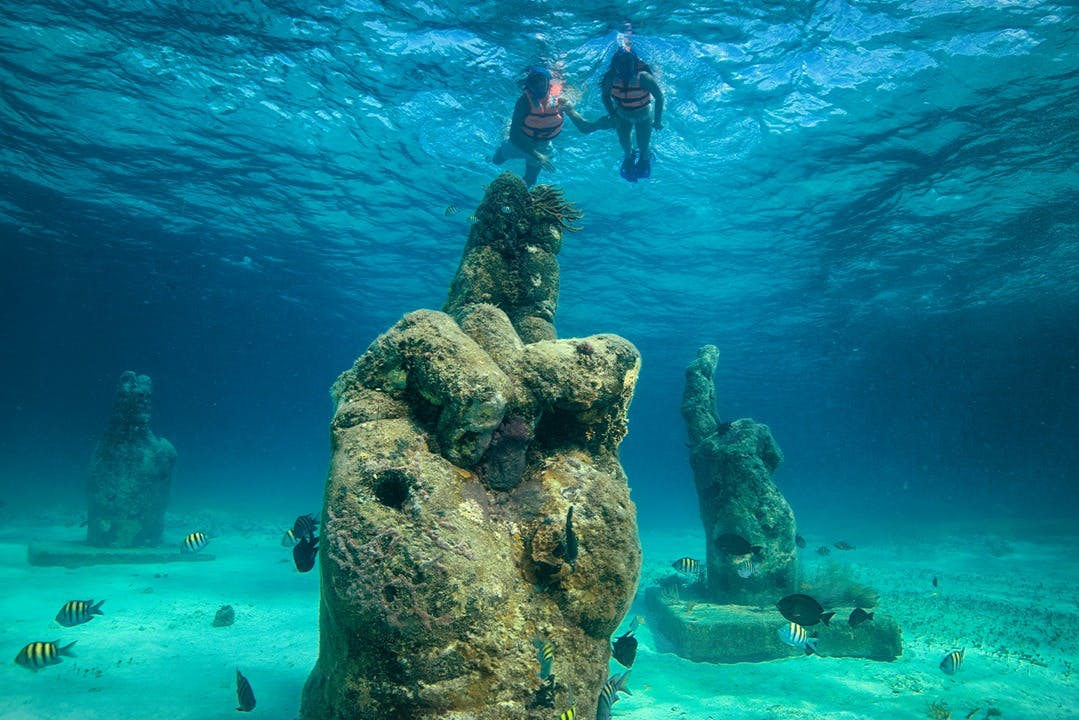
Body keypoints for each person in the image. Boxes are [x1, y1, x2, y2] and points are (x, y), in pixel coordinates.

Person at [564, 47, 664, 182]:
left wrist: (657, 120)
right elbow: (605, 96)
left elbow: (659, 97)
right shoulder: (611, 78)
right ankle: (629, 156)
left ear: (634, 62)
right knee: (625, 143)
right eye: (621, 64)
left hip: (644, 116)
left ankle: (644, 157)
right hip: (622, 114)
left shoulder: (644, 78)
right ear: (615, 65)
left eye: (628, 62)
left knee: (643, 145)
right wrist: (613, 114)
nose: (624, 67)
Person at [492, 66, 566, 187]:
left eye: (542, 81)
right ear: (529, 85)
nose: (539, 86)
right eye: (535, 82)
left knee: (530, 180)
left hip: (543, 145)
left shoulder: (558, 98)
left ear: (549, 82)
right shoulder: (523, 101)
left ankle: (514, 200)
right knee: (496, 161)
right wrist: (538, 156)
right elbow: (515, 137)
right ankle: (507, 128)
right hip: (521, 141)